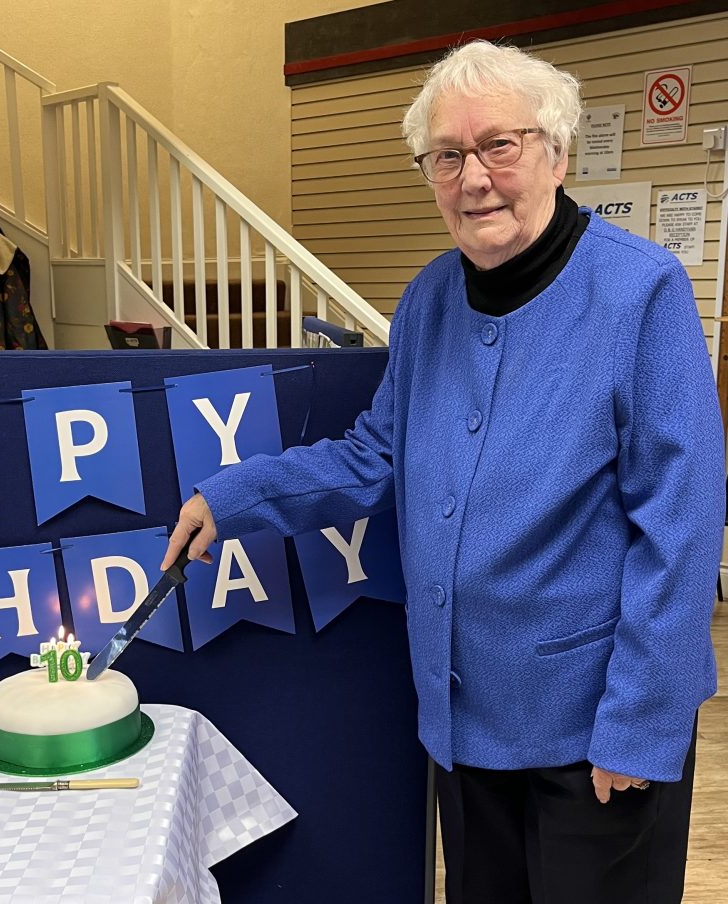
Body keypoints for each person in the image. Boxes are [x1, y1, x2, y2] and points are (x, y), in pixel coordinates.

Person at [161, 40, 724, 904]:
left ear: (557, 153)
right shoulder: (428, 298)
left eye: (500, 146)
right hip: (464, 727)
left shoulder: (640, 291)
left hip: (596, 734)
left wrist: (641, 724)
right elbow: (375, 454)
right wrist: (233, 497)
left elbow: (680, 525)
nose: (474, 178)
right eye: (448, 156)